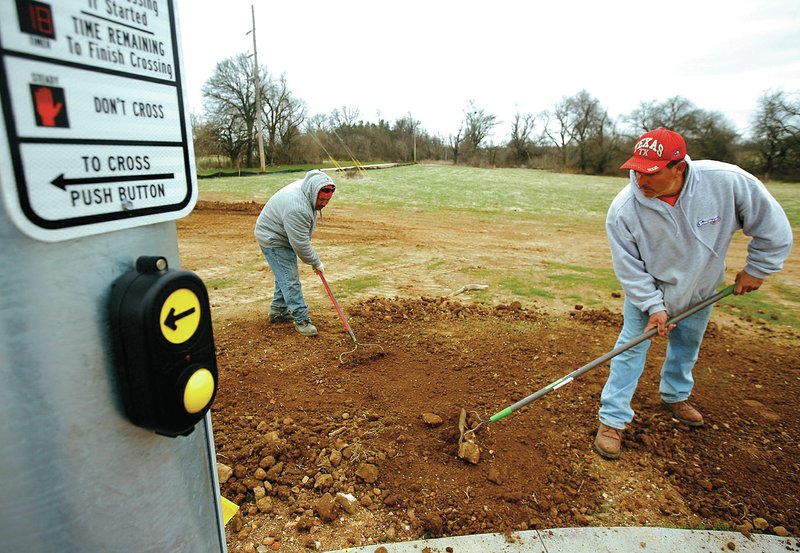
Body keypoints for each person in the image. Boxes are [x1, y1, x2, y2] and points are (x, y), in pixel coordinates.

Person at [594, 128, 793, 460]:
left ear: (678, 168)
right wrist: (653, 306)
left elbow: (772, 228)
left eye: (651, 172)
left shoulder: (726, 182)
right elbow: (629, 268)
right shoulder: (624, 210)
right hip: (649, 290)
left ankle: (674, 396)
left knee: (687, 344)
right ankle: (612, 420)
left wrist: (758, 268)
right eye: (637, 170)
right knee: (629, 350)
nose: (641, 179)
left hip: (702, 288)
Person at [254, 169, 336, 337]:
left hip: (282, 234)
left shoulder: (308, 190)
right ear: (314, 193)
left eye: (327, 200)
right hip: (273, 238)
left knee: (284, 275)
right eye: (321, 199)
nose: (324, 204)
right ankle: (301, 320)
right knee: (290, 279)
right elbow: (300, 244)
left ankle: (278, 312)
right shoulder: (297, 208)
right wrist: (316, 262)